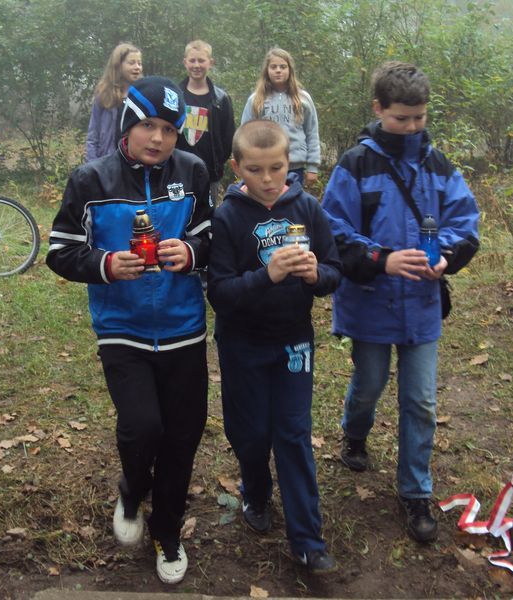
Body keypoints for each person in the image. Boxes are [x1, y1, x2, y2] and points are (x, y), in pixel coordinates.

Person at [48, 76, 212, 584]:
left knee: (183, 436)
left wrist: (190, 253)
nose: (158, 138)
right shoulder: (90, 181)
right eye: (147, 126)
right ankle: (131, 489)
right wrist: (103, 264)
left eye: (167, 128)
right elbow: (60, 250)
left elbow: (211, 236)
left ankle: (167, 533)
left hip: (185, 328)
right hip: (123, 329)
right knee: (144, 427)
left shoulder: (194, 171)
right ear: (127, 124)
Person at [321, 61, 480, 543]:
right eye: (401, 118)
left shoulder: (439, 166)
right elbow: (331, 231)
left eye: (419, 117)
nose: (411, 127)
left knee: (420, 400)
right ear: (378, 109)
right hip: (370, 302)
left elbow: (465, 224)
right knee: (369, 383)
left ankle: (415, 492)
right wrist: (381, 259)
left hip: (422, 306)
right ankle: (355, 432)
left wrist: (446, 258)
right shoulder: (355, 164)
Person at [207, 120, 341, 575]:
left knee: (293, 434)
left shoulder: (308, 208)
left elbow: (334, 273)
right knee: (251, 434)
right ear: (237, 167)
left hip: (293, 344)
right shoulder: (227, 217)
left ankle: (308, 541)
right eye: (256, 169)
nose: (267, 179)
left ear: (291, 164)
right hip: (242, 344)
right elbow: (220, 293)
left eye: (277, 168)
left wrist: (313, 275)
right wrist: (269, 274)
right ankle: (256, 490)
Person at [240, 48, 320, 188]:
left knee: (291, 207)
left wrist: (313, 166)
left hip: (295, 167)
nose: (278, 70)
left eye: (283, 67)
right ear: (267, 70)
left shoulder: (302, 99)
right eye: (273, 67)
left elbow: (312, 132)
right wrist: (245, 163)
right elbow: (245, 134)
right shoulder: (256, 100)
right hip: (265, 166)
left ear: (290, 70)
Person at [176, 40, 235, 204]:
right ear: (185, 62)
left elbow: (228, 136)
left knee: (208, 218)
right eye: (192, 60)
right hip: (179, 171)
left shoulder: (221, 99)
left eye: (201, 60)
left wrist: (217, 163)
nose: (196, 65)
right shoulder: (174, 95)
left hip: (210, 173)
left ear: (211, 62)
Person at [85, 43, 142, 161]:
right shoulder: (104, 95)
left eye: (139, 63)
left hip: (135, 164)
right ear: (118, 66)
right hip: (108, 162)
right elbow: (93, 137)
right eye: (131, 63)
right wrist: (92, 167)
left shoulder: (144, 96)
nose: (137, 67)